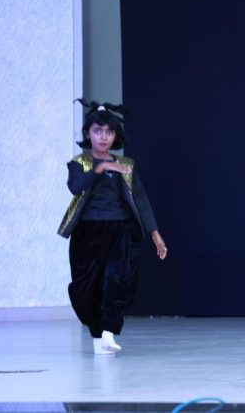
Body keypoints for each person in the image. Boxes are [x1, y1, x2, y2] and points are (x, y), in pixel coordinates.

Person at [58, 100, 168, 354]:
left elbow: (140, 199)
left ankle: (108, 333)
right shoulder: (79, 163)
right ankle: (98, 338)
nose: (103, 137)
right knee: (87, 288)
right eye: (97, 131)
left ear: (116, 135)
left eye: (109, 132)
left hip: (119, 231)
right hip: (87, 234)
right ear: (88, 134)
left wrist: (155, 234)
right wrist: (100, 168)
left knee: (118, 279)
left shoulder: (125, 165)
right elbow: (75, 187)